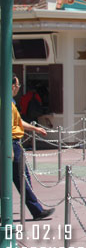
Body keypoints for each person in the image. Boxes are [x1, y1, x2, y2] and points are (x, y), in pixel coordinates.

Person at [11, 75, 55, 220]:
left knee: (22, 177)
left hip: (15, 143)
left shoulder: (10, 102)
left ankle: (36, 209)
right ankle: (36, 210)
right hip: (11, 144)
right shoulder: (6, 102)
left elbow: (19, 122)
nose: (19, 88)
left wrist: (36, 129)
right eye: (18, 85)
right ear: (12, 86)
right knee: (21, 178)